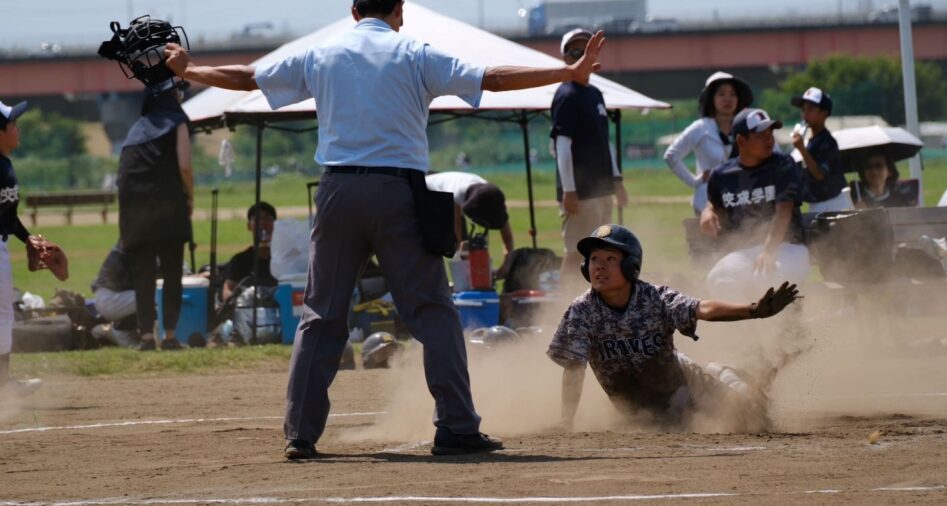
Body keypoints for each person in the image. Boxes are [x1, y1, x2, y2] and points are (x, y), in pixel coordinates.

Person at [165, 0, 608, 459]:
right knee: (432, 312)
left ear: (354, 11)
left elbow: (245, 78)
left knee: (322, 314)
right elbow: (493, 78)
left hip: (337, 192)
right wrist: (567, 73)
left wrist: (190, 68)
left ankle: (300, 433)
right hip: (399, 192)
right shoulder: (414, 52)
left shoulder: (323, 54)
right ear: (399, 10)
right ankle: (456, 426)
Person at [548, 224, 799, 430]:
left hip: (688, 390)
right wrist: (565, 419)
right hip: (643, 412)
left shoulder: (654, 298)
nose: (599, 266)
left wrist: (752, 310)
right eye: (594, 259)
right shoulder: (582, 310)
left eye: (610, 258)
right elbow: (574, 368)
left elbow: (702, 309)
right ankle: (718, 369)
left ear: (630, 266)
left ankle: (726, 374)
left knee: (753, 417)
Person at [700, 108, 811, 302]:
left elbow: (783, 212)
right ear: (741, 140)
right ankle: (747, 329)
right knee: (718, 279)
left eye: (770, 133)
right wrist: (707, 212)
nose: (769, 140)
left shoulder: (783, 165)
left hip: (787, 247)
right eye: (761, 135)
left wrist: (768, 251)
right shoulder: (723, 175)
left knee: (766, 278)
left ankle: (790, 329)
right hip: (746, 252)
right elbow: (713, 202)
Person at [116, 86, 194, 352]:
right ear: (171, 98)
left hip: (134, 208)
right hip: (168, 204)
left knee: (143, 274)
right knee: (173, 271)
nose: (180, 97)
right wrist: (190, 197)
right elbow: (184, 165)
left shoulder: (135, 130)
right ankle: (170, 336)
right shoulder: (178, 122)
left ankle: (147, 337)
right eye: (178, 93)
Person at [1, 99, 69, 395]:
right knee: (3, 315)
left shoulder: (4, 164)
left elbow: (6, 215)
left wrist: (26, 237)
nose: (18, 128)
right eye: (12, 123)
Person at [551, 28, 628, 290]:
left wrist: (616, 180)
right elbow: (562, 145)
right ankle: (563, 308)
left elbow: (605, 142)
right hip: (580, 191)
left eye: (586, 49)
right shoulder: (567, 93)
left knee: (601, 250)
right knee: (575, 251)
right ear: (565, 58)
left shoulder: (595, 94)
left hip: (601, 186)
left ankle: (592, 303)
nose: (581, 55)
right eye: (575, 50)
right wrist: (569, 190)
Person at [664, 71, 753, 215]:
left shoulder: (747, 125)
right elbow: (671, 155)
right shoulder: (700, 128)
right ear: (711, 98)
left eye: (732, 94)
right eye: (721, 94)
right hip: (706, 204)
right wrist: (694, 181)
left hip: (742, 201)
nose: (728, 99)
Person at [425, 171, 515, 278]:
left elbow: (508, 238)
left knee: (466, 249)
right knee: (441, 246)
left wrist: (507, 264)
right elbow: (456, 234)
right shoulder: (456, 195)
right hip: (426, 189)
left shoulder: (492, 196)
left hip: (451, 190)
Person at [790, 87, 851, 214]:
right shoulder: (812, 142)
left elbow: (819, 174)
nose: (805, 114)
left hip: (834, 203)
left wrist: (802, 149)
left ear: (824, 113)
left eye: (811, 110)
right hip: (817, 203)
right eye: (803, 110)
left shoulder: (828, 142)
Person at [222, 201, 278, 303]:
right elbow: (228, 290)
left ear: (275, 225)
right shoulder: (239, 260)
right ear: (249, 226)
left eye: (267, 219)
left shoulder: (284, 259)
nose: (263, 223)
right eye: (257, 219)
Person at [90, 243, 141, 349]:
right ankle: (119, 331)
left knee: (154, 294)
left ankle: (112, 330)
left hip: (110, 298)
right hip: (112, 299)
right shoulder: (134, 246)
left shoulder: (129, 242)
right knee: (156, 296)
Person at [850, 151, 919, 209]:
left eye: (879, 166)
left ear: (889, 171)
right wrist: (854, 213)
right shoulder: (852, 198)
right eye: (868, 166)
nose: (874, 171)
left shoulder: (901, 200)